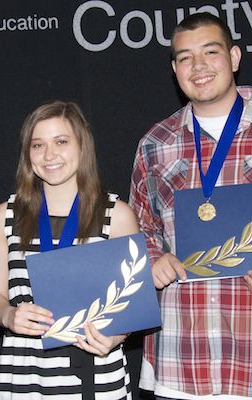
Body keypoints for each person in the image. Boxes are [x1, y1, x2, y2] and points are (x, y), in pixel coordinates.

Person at [129, 12, 252, 400]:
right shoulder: (155, 142)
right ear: (174, 69)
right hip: (182, 355)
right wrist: (151, 257)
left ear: (234, 57)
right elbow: (139, 225)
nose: (198, 66)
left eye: (210, 52)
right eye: (184, 57)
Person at [0, 100, 139, 399]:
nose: (49, 154)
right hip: (26, 374)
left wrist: (117, 336)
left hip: (95, 374)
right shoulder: (5, 216)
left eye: (61, 141)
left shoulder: (117, 215)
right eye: (37, 145)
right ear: (27, 154)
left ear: (82, 145)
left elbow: (131, 309)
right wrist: (8, 316)